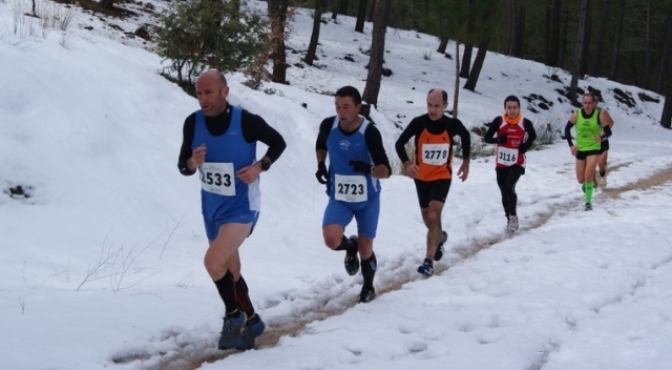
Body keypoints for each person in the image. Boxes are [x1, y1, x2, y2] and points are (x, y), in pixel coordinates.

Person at [177, 70, 286, 351]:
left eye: (209, 92)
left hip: (242, 207)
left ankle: (232, 315)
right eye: (199, 93)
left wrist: (261, 166)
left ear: (224, 92)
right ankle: (252, 320)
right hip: (211, 208)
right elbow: (182, 166)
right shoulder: (192, 123)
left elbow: (278, 142)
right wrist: (192, 162)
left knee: (213, 262)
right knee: (230, 270)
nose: (203, 99)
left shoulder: (245, 121)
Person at [315, 85, 391, 303]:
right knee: (331, 239)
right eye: (337, 106)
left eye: (346, 107)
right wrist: (321, 164)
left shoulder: (369, 132)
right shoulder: (328, 125)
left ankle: (368, 287)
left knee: (366, 247)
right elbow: (321, 144)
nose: (341, 112)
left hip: (367, 200)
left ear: (358, 107)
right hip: (339, 198)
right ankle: (350, 246)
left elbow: (386, 171)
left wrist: (367, 169)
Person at [394, 88, 470, 277]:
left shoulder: (451, 125)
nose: (432, 110)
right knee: (428, 220)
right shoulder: (419, 123)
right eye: (429, 105)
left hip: (442, 176)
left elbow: (466, 136)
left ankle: (428, 261)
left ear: (445, 106)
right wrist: (407, 163)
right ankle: (441, 237)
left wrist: (466, 162)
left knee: (435, 215)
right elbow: (399, 143)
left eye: (437, 106)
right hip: (421, 178)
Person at [483, 95, 536, 235]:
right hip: (501, 162)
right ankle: (509, 219)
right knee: (503, 191)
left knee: (509, 187)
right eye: (509, 108)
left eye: (515, 108)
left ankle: (513, 217)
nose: (512, 111)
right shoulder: (499, 121)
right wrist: (499, 139)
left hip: (517, 162)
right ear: (505, 108)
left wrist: (525, 145)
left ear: (519, 108)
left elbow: (533, 134)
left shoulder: (525, 122)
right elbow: (486, 138)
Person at [564, 93, 612, 211]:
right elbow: (567, 128)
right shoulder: (577, 114)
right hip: (580, 148)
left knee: (589, 173)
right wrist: (571, 145)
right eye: (585, 103)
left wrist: (602, 138)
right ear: (582, 103)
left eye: (589, 103)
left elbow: (608, 132)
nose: (587, 105)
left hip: (594, 148)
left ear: (593, 103)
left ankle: (588, 203)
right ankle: (586, 185)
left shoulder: (598, 115)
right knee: (581, 179)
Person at [592, 95, 615, 186]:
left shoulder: (603, 112)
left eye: (594, 101)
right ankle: (593, 182)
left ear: (597, 102)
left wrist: (604, 131)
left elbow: (611, 122)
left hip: (602, 140)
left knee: (601, 162)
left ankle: (602, 169)